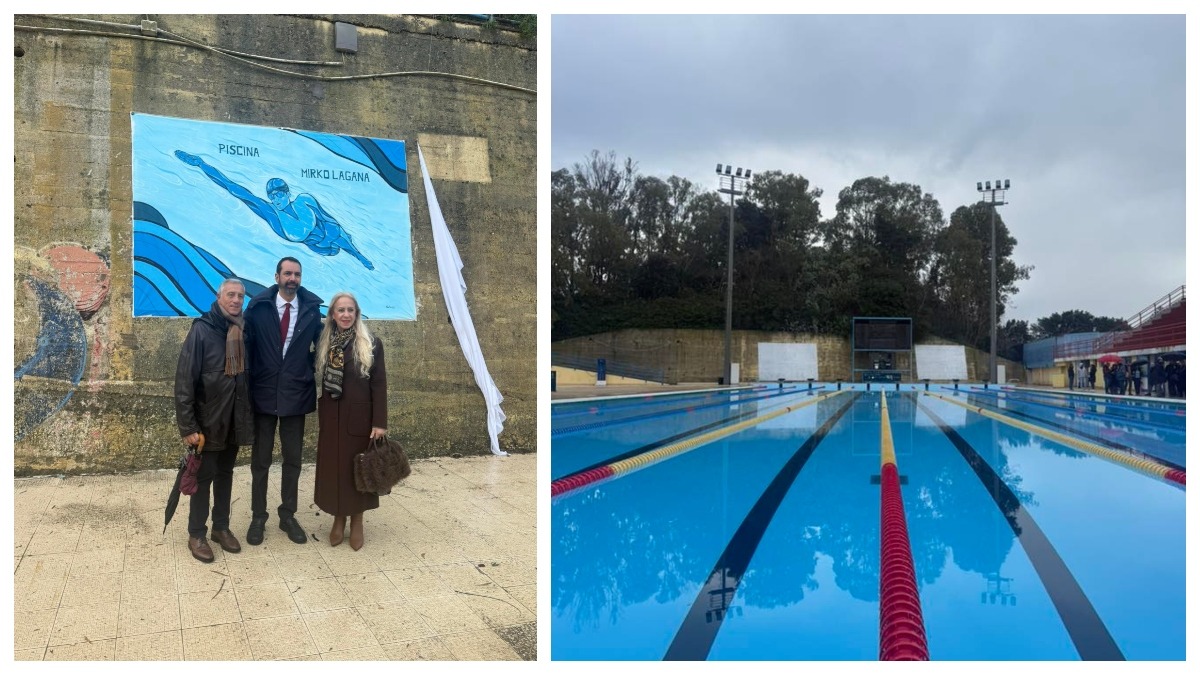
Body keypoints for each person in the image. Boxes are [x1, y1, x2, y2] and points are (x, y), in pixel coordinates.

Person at [174, 151, 375, 270]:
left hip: (325, 232)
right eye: (272, 196)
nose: (276, 199)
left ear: (287, 193)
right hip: (316, 244)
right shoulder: (270, 212)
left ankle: (358, 255)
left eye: (279, 194)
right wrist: (202, 165)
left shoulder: (303, 201)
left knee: (335, 235)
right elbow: (233, 188)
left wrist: (348, 241)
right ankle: (347, 249)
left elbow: (327, 217)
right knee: (330, 249)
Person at [244, 257, 324, 545]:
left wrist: (307, 368)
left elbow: (322, 346)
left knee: (293, 461)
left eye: (297, 274)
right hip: (264, 395)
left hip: (296, 395)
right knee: (260, 461)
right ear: (276, 276)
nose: (292, 278)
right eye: (287, 273)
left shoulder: (312, 311)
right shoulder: (258, 308)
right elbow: (247, 348)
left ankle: (287, 515)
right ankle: (258, 516)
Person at [174, 279, 253, 563]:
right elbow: (185, 379)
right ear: (219, 297)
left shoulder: (242, 330)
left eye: (240, 296)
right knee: (203, 478)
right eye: (230, 295)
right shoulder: (202, 330)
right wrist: (188, 426)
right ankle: (197, 533)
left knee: (225, 475)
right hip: (209, 422)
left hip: (234, 418)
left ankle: (221, 527)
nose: (235, 300)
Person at [314, 292, 387, 551]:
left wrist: (379, 422)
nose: (345, 315)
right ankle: (338, 517)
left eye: (350, 310)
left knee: (358, 471)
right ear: (332, 315)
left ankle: (357, 521)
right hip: (332, 421)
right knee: (336, 471)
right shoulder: (327, 342)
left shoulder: (371, 343)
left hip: (359, 421)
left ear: (357, 314)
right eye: (340, 310)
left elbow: (379, 385)